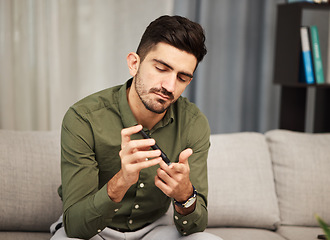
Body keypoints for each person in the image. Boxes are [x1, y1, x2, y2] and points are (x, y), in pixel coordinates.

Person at [51, 15, 222, 240]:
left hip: (156, 230)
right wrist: (121, 181)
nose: (169, 86)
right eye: (161, 68)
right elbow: (75, 226)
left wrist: (185, 196)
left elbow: (195, 227)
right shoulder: (83, 118)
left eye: (182, 77)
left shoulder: (194, 123)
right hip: (95, 230)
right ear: (134, 63)